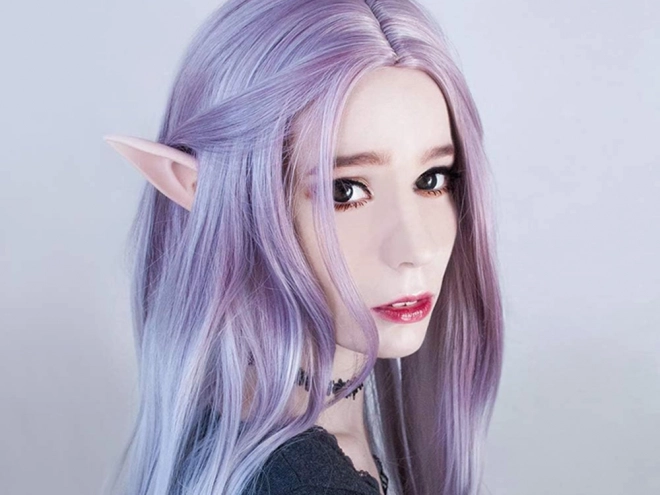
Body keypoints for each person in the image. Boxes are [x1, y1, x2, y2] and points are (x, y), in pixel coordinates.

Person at [103, 0, 504, 494]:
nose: (415, 248)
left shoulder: (255, 433)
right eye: (345, 191)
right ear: (211, 195)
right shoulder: (299, 479)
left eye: (432, 179)